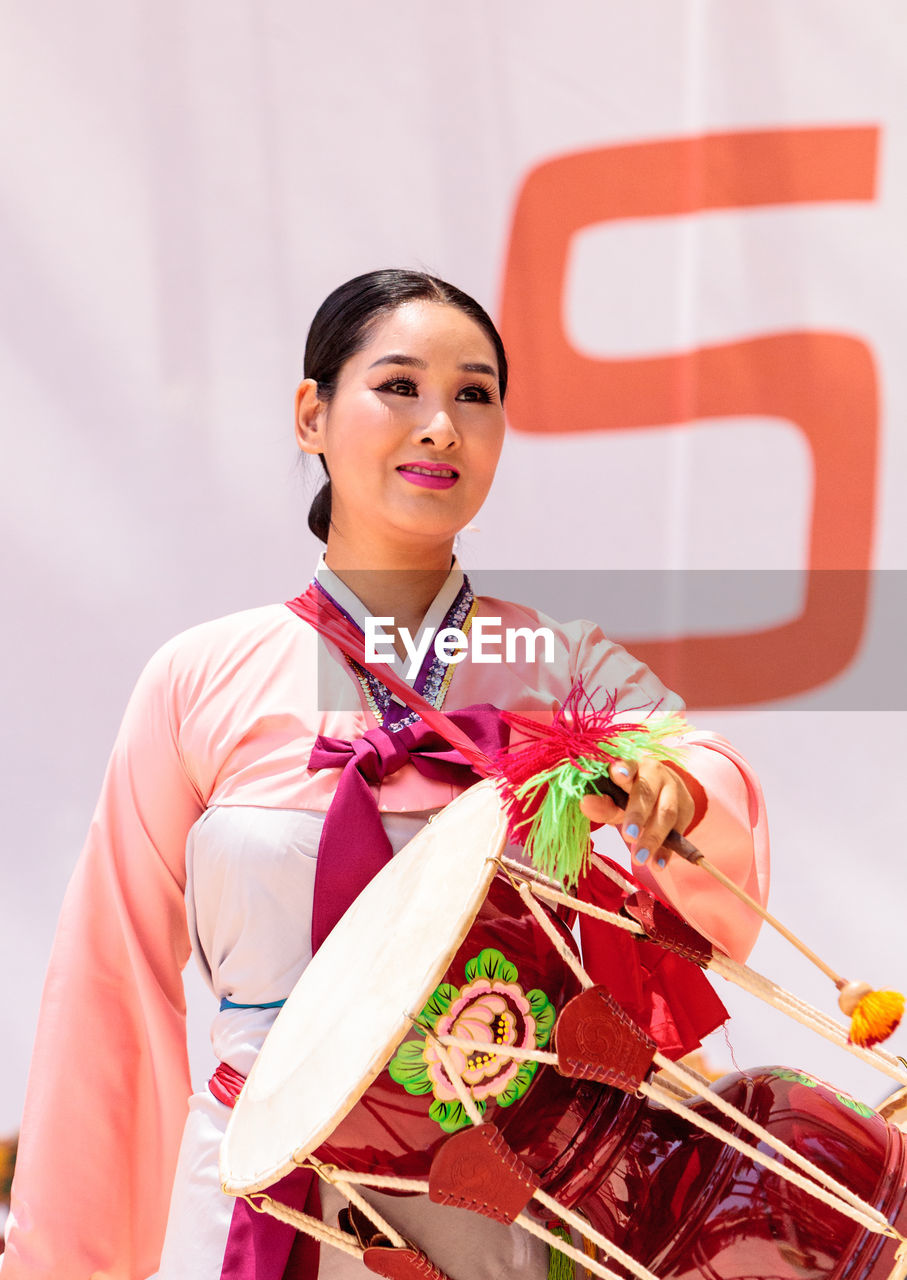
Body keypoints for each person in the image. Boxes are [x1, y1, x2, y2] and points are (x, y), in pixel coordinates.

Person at [1, 270, 769, 1280]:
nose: (440, 425)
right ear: (312, 414)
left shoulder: (555, 667)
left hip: (499, 1200)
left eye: (474, 394)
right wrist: (67, 1259)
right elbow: (113, 976)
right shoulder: (201, 678)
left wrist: (679, 790)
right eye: (398, 386)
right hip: (263, 1193)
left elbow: (699, 785)